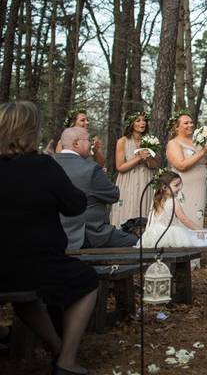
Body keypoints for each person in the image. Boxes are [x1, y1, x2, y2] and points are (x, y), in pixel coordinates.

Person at [0, 101, 98, 375]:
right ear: (30, 130)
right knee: (87, 279)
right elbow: (75, 205)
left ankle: (55, 347)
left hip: (4, 267)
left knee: (25, 297)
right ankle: (66, 359)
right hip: (36, 264)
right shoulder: (44, 165)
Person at [55, 126, 137, 250]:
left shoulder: (49, 164)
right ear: (76, 143)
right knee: (137, 241)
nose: (91, 145)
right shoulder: (90, 169)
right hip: (90, 233)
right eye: (89, 141)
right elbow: (113, 195)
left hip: (54, 233)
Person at [166, 110, 207, 227]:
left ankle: (196, 242)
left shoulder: (197, 141)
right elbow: (181, 165)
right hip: (183, 187)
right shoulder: (174, 143)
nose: (191, 125)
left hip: (199, 187)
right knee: (185, 215)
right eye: (186, 123)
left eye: (191, 122)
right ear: (176, 127)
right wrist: (202, 152)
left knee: (197, 215)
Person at [110, 108, 159, 228]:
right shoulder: (123, 141)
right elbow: (120, 166)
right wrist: (138, 158)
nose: (142, 123)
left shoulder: (149, 140)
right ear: (130, 123)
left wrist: (147, 159)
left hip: (146, 179)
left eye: (144, 120)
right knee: (129, 208)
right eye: (138, 120)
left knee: (144, 208)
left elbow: (156, 164)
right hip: (128, 182)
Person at [139, 170, 207, 248]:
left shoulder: (157, 201)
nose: (180, 188)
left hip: (155, 234)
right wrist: (198, 229)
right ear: (164, 187)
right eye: (176, 185)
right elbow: (184, 219)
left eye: (180, 185)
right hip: (169, 234)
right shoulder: (174, 202)